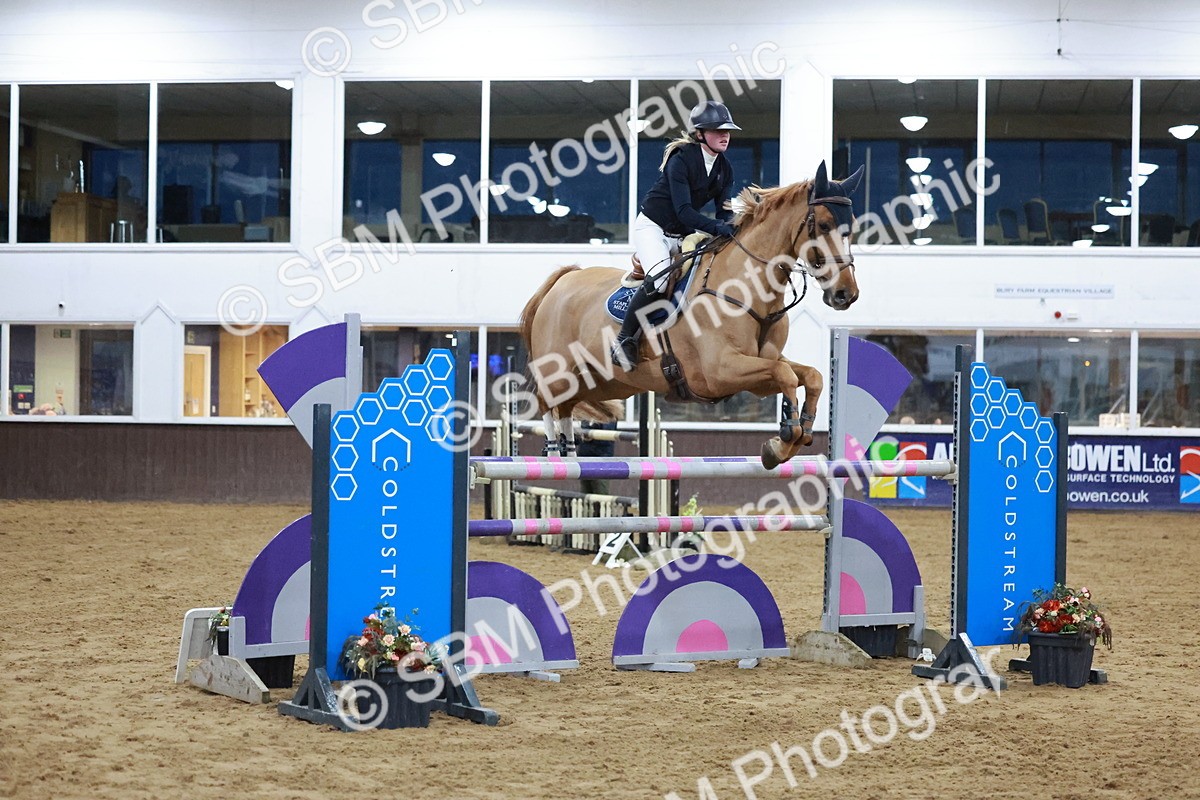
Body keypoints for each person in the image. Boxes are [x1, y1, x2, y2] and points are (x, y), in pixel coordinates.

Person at [611, 100, 740, 371]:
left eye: (727, 130)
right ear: (700, 134)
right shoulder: (681, 160)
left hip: (683, 234)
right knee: (659, 280)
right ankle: (624, 340)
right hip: (653, 228)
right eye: (717, 130)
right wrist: (717, 227)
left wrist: (732, 227)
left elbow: (723, 211)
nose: (725, 135)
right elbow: (683, 211)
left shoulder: (724, 168)